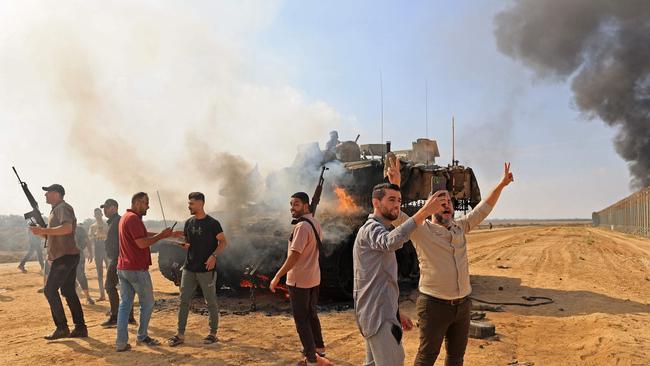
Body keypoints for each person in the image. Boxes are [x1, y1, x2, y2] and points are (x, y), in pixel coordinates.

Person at [387, 159, 514, 366]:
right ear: (430, 206)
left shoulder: (460, 227)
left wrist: (501, 185)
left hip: (463, 306)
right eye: (440, 201)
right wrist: (395, 185)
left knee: (456, 358)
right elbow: (398, 218)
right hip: (434, 306)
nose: (446, 205)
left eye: (448, 202)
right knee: (427, 357)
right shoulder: (421, 230)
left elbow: (484, 208)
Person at [353, 183, 444, 366]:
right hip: (378, 316)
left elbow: (381, 281)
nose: (397, 205)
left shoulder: (379, 229)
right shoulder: (371, 229)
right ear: (376, 203)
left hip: (379, 313)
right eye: (392, 200)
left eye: (399, 201)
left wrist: (394, 313)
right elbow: (389, 242)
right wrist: (424, 212)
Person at [270, 192, 331, 366]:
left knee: (301, 320)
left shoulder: (302, 227)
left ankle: (311, 359)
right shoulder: (315, 223)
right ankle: (319, 349)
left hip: (299, 280)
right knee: (311, 314)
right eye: (291, 204)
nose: (292, 208)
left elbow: (294, 256)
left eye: (296, 204)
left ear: (306, 206)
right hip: (313, 278)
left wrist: (277, 276)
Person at [115, 192, 178, 352]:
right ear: (137, 203)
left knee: (125, 305)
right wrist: (161, 236)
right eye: (145, 203)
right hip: (136, 269)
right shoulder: (134, 219)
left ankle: (121, 342)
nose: (148, 206)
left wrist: (166, 236)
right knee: (148, 304)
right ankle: (142, 336)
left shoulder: (125, 217)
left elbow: (142, 235)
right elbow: (142, 243)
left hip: (123, 268)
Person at [167, 192, 228, 347]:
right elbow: (188, 243)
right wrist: (182, 244)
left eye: (191, 203)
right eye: (189, 203)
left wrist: (214, 256)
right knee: (183, 301)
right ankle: (180, 334)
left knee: (211, 302)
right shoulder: (188, 223)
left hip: (206, 269)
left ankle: (213, 333)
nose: (189, 206)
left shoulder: (213, 223)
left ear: (200, 203)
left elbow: (223, 242)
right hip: (189, 268)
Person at [30, 183, 87, 339]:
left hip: (65, 256)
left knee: (50, 290)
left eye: (48, 192)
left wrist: (43, 230)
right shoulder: (55, 211)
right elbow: (52, 235)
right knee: (68, 291)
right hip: (65, 255)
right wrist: (40, 232)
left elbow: (67, 228)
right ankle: (80, 328)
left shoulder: (62, 208)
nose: (45, 195)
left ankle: (62, 328)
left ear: (56, 193)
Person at [100, 198, 135, 327]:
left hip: (118, 258)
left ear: (114, 208)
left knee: (109, 286)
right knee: (125, 288)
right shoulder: (113, 222)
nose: (104, 210)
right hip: (117, 258)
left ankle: (115, 316)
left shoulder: (118, 221)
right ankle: (129, 316)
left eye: (106, 207)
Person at [89, 207, 108, 301]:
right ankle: (102, 294)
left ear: (101, 214)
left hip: (106, 248)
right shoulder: (92, 227)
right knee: (99, 273)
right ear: (94, 215)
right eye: (96, 214)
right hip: (98, 249)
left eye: (99, 213)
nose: (97, 215)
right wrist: (95, 235)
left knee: (111, 271)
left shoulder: (107, 224)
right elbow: (89, 239)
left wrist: (104, 234)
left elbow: (111, 236)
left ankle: (114, 293)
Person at [74, 223, 95, 305]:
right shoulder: (64, 228)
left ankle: (88, 297)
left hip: (78, 255)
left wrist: (90, 253)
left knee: (81, 275)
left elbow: (87, 241)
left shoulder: (80, 229)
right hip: (68, 256)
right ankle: (74, 297)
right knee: (70, 276)